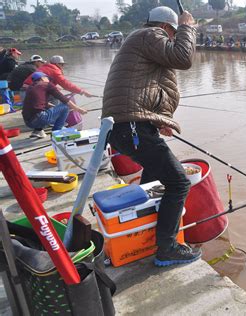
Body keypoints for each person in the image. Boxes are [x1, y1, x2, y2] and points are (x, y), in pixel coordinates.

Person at [101, 6, 202, 267]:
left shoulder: (142, 41)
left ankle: (143, 234)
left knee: (153, 179)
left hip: (130, 126)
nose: (173, 37)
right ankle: (167, 248)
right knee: (179, 183)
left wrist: (158, 121)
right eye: (175, 32)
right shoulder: (150, 35)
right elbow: (183, 58)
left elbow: (145, 89)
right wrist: (188, 26)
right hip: (131, 126)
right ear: (168, 28)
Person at [22, 72, 87, 139]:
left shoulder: (30, 87)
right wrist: (79, 109)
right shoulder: (47, 84)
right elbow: (64, 99)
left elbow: (38, 103)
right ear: (42, 78)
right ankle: (56, 132)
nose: (49, 80)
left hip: (28, 122)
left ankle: (38, 131)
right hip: (40, 119)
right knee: (65, 106)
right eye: (47, 78)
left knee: (42, 109)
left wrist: (54, 108)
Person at [24, 55, 93, 97]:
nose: (63, 66)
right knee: (57, 98)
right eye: (62, 64)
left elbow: (47, 82)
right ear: (57, 64)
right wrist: (82, 91)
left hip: (25, 90)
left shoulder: (45, 67)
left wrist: (55, 87)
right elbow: (66, 84)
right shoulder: (55, 70)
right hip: (32, 91)